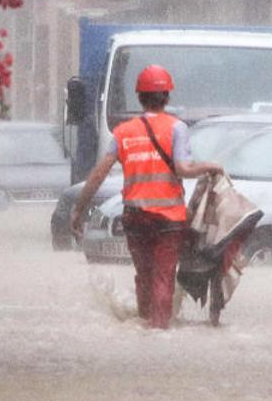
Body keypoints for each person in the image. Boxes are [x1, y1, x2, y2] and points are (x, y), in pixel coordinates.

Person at [70, 64, 222, 329]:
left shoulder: (123, 132)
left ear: (139, 97)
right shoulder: (177, 128)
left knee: (144, 275)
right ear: (167, 97)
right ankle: (159, 331)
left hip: (136, 218)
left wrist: (78, 210)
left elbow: (97, 175)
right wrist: (210, 166)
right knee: (164, 276)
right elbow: (183, 169)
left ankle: (144, 325)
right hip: (168, 221)